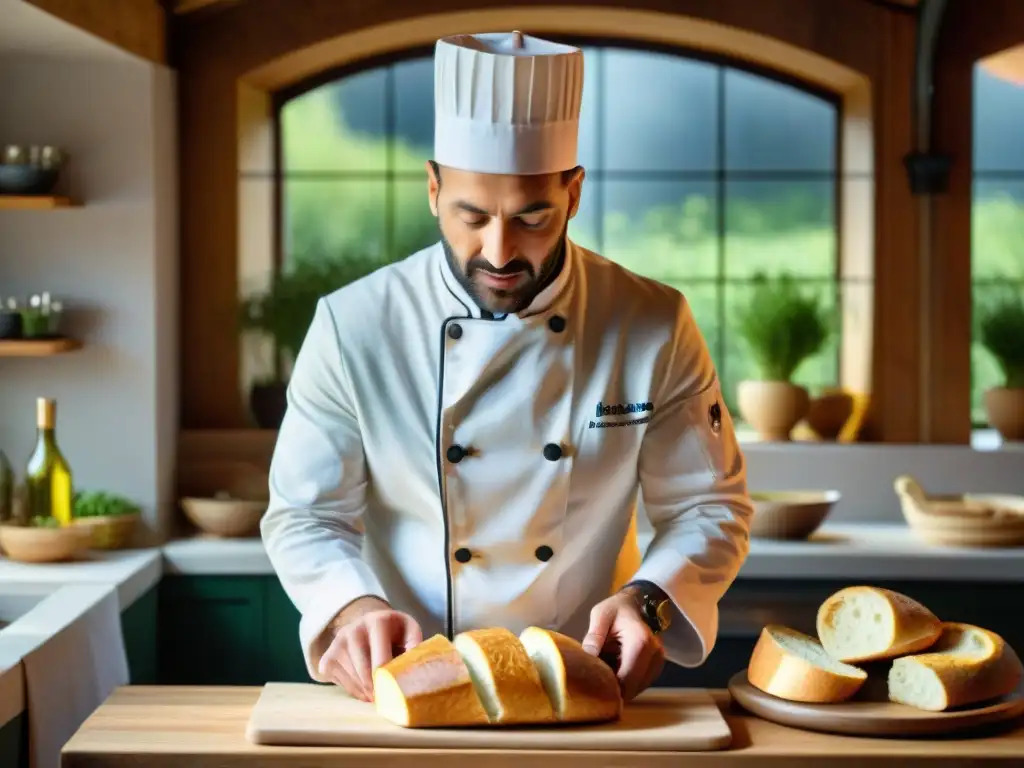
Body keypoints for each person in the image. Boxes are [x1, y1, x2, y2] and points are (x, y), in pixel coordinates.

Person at [261, 30, 753, 705]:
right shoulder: (354, 327)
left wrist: (650, 601)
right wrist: (351, 611)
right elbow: (305, 515)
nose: (499, 251)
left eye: (532, 217)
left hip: (582, 681)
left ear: (574, 194)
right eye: (471, 216)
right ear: (433, 190)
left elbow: (709, 503)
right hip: (406, 682)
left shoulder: (654, 324)